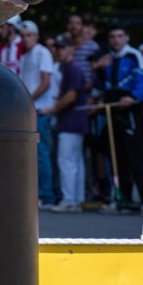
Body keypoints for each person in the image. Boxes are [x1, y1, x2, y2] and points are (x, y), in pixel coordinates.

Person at [98, 25, 143, 212]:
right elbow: (101, 84)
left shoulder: (133, 56)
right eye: (112, 36)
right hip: (111, 109)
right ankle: (123, 198)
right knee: (115, 155)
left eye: (120, 36)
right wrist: (98, 69)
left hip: (129, 111)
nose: (116, 40)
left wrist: (133, 97)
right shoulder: (107, 58)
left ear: (126, 38)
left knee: (135, 155)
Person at [47, 34, 88, 212]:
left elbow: (71, 95)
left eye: (63, 47)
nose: (59, 51)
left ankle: (69, 199)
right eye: (58, 47)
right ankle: (77, 199)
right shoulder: (70, 68)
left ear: (71, 48)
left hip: (70, 120)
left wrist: (53, 108)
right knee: (76, 161)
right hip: (76, 120)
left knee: (66, 161)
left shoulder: (72, 68)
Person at [18, 20, 56, 207]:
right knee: (31, 155)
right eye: (23, 36)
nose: (26, 39)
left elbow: (45, 82)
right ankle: (36, 193)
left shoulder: (43, 52)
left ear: (37, 35)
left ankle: (46, 195)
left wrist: (28, 100)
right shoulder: (24, 56)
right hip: (29, 111)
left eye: (29, 35)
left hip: (39, 110)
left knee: (41, 155)